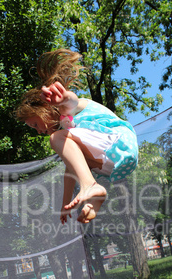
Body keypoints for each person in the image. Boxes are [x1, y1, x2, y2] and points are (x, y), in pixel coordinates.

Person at [15, 49, 138, 224]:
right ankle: (93, 200)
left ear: (43, 109)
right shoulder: (69, 138)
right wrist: (66, 203)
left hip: (118, 142)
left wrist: (64, 98)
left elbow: (72, 101)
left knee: (56, 139)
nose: (38, 131)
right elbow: (71, 170)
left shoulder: (66, 111)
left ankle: (91, 185)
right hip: (115, 163)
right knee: (74, 162)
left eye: (35, 125)